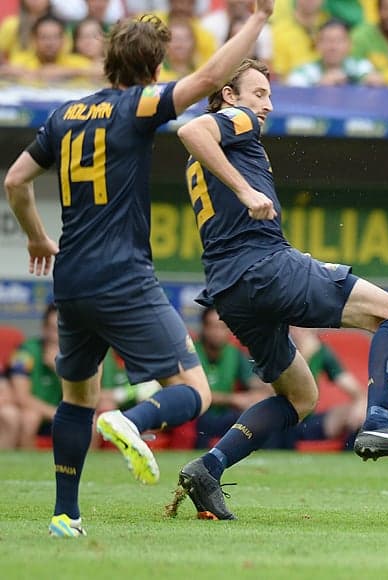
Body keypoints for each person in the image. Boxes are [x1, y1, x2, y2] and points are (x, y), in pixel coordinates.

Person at [3, 0, 275, 538]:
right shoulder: (139, 106)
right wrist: (260, 18)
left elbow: (14, 181)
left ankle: (64, 515)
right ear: (154, 71)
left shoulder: (64, 115)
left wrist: (38, 236)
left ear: (107, 61)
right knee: (193, 389)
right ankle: (132, 420)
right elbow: (212, 77)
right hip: (122, 275)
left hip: (70, 278)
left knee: (76, 397)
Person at [170, 58, 388, 521]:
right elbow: (189, 132)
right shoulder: (232, 121)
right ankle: (377, 423)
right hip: (265, 267)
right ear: (230, 95)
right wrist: (245, 191)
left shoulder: (217, 149)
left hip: (229, 291)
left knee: (301, 398)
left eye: (269, 97)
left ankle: (209, 467)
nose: (267, 105)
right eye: (259, 94)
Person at [193, 307, 270, 449]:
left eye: (222, 327)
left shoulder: (234, 353)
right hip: (198, 418)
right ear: (203, 328)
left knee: (262, 419)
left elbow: (253, 382)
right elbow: (194, 394)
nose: (218, 333)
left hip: (225, 416)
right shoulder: (191, 353)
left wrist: (268, 392)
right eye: (213, 327)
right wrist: (234, 399)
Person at [289, 327, 367, 449]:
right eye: (294, 326)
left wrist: (360, 403)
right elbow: (268, 390)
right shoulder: (280, 350)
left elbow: (356, 390)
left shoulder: (321, 351)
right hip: (283, 419)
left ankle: (354, 455)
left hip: (308, 420)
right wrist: (305, 356)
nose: (299, 330)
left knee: (357, 411)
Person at [8, 304, 62, 449]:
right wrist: (56, 414)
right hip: (39, 413)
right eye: (52, 329)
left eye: (60, 329)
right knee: (29, 418)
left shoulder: (76, 355)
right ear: (44, 329)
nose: (55, 336)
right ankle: (28, 468)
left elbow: (83, 395)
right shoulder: (25, 352)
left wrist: (59, 370)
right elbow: (22, 397)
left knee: (91, 422)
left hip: (65, 414)